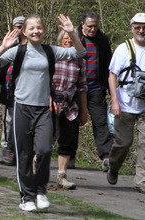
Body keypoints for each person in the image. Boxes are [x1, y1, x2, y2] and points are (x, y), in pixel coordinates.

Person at [0, 14, 85, 212]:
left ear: (44, 30)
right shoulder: (18, 51)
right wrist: (4, 47)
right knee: (24, 154)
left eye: (39, 28)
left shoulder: (50, 51)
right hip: (21, 108)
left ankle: (40, 191)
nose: (36, 31)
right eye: (31, 28)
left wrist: (72, 32)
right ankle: (27, 197)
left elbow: (80, 54)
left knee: (44, 150)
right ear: (24, 31)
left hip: (43, 110)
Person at [106, 13, 145, 195]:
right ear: (132, 28)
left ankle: (142, 182)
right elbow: (112, 75)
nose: (141, 30)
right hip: (125, 105)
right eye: (138, 27)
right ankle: (113, 166)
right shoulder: (123, 49)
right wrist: (115, 101)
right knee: (123, 143)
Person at [77, 11, 113, 171]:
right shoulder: (74, 37)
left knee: (101, 122)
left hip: (96, 88)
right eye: (90, 26)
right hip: (76, 89)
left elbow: (108, 65)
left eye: (95, 26)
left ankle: (107, 157)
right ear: (83, 25)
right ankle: (69, 155)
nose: (93, 29)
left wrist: (110, 91)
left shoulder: (102, 40)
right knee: (71, 122)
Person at [52, 30, 87, 190]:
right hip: (50, 104)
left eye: (71, 39)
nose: (68, 41)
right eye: (66, 39)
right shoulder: (51, 56)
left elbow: (82, 88)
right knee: (44, 142)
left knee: (67, 141)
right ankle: (36, 172)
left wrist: (84, 111)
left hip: (70, 106)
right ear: (61, 41)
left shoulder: (80, 62)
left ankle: (62, 176)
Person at [0, 16, 25, 165]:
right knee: (8, 122)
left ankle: (18, 150)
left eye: (22, 26)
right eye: (17, 26)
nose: (19, 29)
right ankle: (6, 148)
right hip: (8, 95)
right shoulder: (8, 47)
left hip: (24, 94)